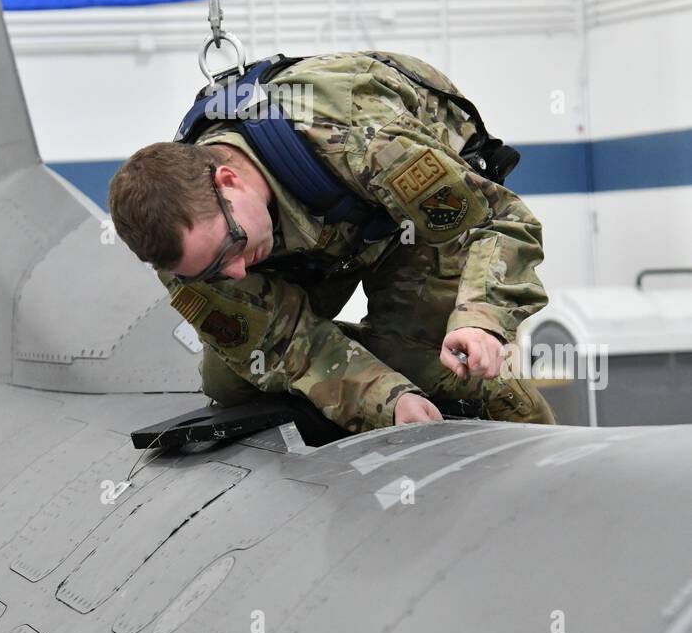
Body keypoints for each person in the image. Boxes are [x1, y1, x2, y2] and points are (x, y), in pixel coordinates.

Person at [109, 50, 555, 434]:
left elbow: (500, 222)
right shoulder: (184, 249)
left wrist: (479, 321)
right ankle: (386, 372)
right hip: (319, 235)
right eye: (211, 271)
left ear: (229, 180)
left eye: (232, 248)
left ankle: (524, 425)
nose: (236, 272)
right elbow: (282, 345)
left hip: (416, 216)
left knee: (432, 361)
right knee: (232, 381)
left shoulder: (364, 139)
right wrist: (385, 398)